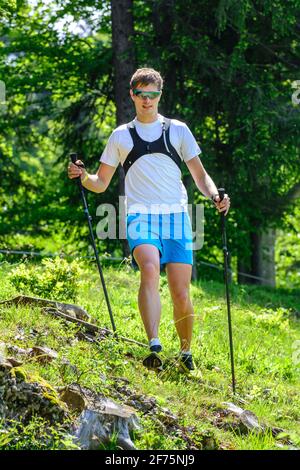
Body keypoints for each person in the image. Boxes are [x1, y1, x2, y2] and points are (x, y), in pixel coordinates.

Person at [68, 67, 230, 373]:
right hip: (140, 215)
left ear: (159, 96)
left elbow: (199, 174)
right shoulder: (121, 136)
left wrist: (215, 196)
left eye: (152, 95)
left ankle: (185, 353)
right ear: (132, 95)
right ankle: (154, 343)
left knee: (181, 292)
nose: (147, 101)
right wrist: (82, 176)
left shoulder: (178, 130)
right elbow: (100, 182)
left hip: (177, 217)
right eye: (141, 95)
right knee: (150, 270)